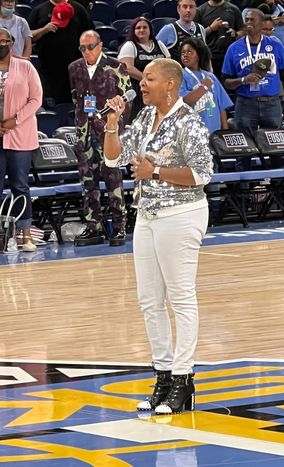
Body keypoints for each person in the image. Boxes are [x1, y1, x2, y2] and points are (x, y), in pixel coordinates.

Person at [103, 58, 213, 415]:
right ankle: (163, 376)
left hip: (181, 214)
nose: (142, 83)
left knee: (180, 297)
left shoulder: (188, 121)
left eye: (149, 78)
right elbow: (113, 160)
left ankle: (183, 379)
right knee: (149, 301)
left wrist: (156, 172)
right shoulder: (146, 118)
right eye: (143, 78)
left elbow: (202, 174)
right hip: (147, 215)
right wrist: (112, 124)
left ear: (170, 84)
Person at [68, 30, 132, 247]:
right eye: (82, 48)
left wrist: (117, 126)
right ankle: (93, 226)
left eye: (90, 47)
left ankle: (119, 226)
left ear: (100, 45)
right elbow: (75, 99)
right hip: (84, 133)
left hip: (108, 133)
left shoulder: (116, 66)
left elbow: (128, 100)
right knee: (88, 182)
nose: (86, 51)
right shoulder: (74, 68)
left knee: (113, 179)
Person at [222, 8, 284, 170]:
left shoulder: (276, 46)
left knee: (277, 152)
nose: (248, 23)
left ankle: (279, 193)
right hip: (246, 103)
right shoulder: (234, 49)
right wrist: (242, 80)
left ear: (261, 24)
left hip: (272, 103)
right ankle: (242, 193)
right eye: (246, 19)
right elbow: (225, 82)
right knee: (244, 152)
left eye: (252, 20)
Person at [0, 27, 42, 252]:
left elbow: (36, 99)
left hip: (20, 136)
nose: (2, 44)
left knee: (20, 186)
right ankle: (1, 237)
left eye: (5, 40)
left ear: (12, 42)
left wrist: (14, 120)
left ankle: (25, 236)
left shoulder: (25, 67)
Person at [28, 0, 93, 106]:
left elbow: (91, 35)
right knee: (49, 108)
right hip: (47, 70)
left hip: (76, 70)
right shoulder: (39, 11)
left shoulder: (79, 10)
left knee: (77, 106)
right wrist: (44, 30)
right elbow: (28, 37)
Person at [118, 16, 170, 123]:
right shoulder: (130, 45)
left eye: (145, 27)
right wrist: (147, 79)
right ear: (133, 30)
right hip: (137, 91)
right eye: (138, 28)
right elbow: (127, 68)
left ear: (150, 30)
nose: (141, 30)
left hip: (159, 90)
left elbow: (169, 64)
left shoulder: (159, 44)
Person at [179, 37, 233, 133]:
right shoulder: (180, 76)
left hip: (214, 130)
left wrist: (225, 132)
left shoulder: (210, 76)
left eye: (189, 52)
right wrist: (204, 87)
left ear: (199, 55)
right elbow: (183, 101)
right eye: (183, 52)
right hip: (192, 132)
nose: (185, 55)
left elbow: (221, 106)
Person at [194, 0, 244, 78]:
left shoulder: (234, 9)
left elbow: (243, 31)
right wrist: (211, 28)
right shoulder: (200, 10)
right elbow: (195, 36)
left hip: (229, 56)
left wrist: (235, 33)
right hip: (209, 57)